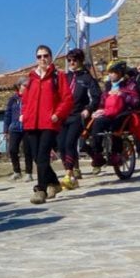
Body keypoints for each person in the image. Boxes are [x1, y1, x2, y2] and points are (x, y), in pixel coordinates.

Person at [20, 44, 72, 205]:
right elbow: (25, 99)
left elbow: (67, 99)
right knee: (37, 157)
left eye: (45, 55)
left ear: (50, 57)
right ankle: (55, 183)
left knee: (42, 156)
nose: (43, 59)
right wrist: (23, 114)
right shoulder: (31, 77)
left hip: (49, 123)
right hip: (31, 123)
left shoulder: (58, 76)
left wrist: (58, 114)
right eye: (39, 56)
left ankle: (40, 189)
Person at [58, 48, 101, 190]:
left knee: (70, 143)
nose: (71, 63)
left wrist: (88, 109)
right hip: (64, 116)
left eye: (74, 60)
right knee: (62, 146)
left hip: (78, 116)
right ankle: (70, 174)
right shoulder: (65, 77)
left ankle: (69, 175)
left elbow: (96, 96)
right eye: (69, 60)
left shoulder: (87, 78)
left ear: (80, 61)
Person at [86, 61, 139, 172]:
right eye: (109, 72)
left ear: (120, 73)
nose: (110, 75)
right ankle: (98, 153)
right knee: (97, 123)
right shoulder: (108, 86)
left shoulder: (130, 84)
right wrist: (99, 110)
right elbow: (102, 101)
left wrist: (122, 95)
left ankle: (116, 153)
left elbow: (135, 101)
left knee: (116, 127)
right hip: (108, 113)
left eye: (112, 72)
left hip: (123, 112)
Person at [4, 78, 33, 181]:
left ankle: (29, 173)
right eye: (24, 85)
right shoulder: (13, 99)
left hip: (27, 127)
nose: (26, 87)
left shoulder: (31, 98)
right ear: (19, 86)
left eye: (27, 86)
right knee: (12, 150)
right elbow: (7, 114)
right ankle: (17, 171)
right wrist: (6, 129)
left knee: (27, 151)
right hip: (14, 127)